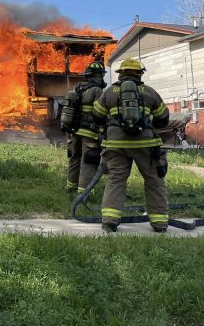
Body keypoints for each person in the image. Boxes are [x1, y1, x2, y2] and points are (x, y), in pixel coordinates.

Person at [92, 58, 170, 233]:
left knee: (116, 179)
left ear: (121, 74)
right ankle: (159, 223)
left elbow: (96, 115)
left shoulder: (109, 92)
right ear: (139, 74)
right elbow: (163, 118)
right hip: (147, 145)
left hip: (115, 145)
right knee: (154, 180)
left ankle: (109, 221)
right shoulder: (150, 92)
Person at [66, 61, 106, 194]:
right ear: (97, 76)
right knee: (89, 161)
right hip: (90, 133)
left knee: (74, 158)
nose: (102, 78)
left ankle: (71, 186)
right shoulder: (97, 90)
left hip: (75, 131)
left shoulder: (78, 88)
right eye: (101, 75)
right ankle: (84, 193)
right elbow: (100, 113)